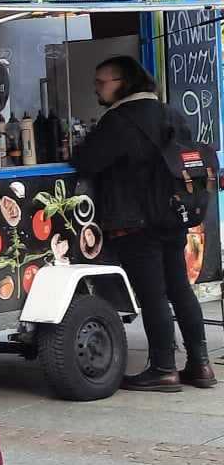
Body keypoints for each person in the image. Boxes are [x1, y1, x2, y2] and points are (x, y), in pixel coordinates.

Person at [70, 55, 213, 391]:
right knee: (179, 288)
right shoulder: (172, 113)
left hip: (136, 221)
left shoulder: (118, 121)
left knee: (152, 295)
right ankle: (200, 365)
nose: (96, 89)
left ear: (124, 83)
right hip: (174, 215)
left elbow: (86, 162)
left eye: (101, 82)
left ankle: (164, 368)